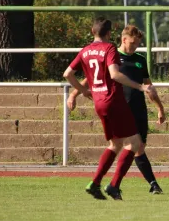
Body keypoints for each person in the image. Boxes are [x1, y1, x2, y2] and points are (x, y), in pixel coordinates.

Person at [63, 17, 157, 201]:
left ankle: (95, 183)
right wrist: (141, 87)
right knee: (135, 143)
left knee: (115, 144)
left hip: (98, 103)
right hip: (114, 100)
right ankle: (114, 186)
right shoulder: (109, 48)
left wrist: (82, 92)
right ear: (108, 34)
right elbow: (114, 74)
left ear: (92, 31)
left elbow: (67, 74)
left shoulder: (85, 51)